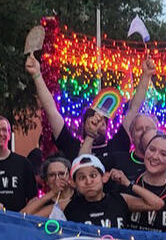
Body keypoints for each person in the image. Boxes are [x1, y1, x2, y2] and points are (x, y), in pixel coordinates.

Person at [27, 51, 157, 177]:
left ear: (107, 127)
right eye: (92, 121)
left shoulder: (117, 146)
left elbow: (134, 109)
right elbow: (51, 111)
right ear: (83, 125)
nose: (97, 126)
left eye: (101, 123)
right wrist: (36, 74)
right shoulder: (71, 146)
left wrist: (146, 76)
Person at [61, 154, 164, 227]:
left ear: (104, 177)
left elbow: (157, 204)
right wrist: (54, 192)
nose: (88, 181)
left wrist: (128, 184)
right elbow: (47, 218)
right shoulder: (68, 205)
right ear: (74, 183)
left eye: (93, 175)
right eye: (82, 178)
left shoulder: (119, 199)